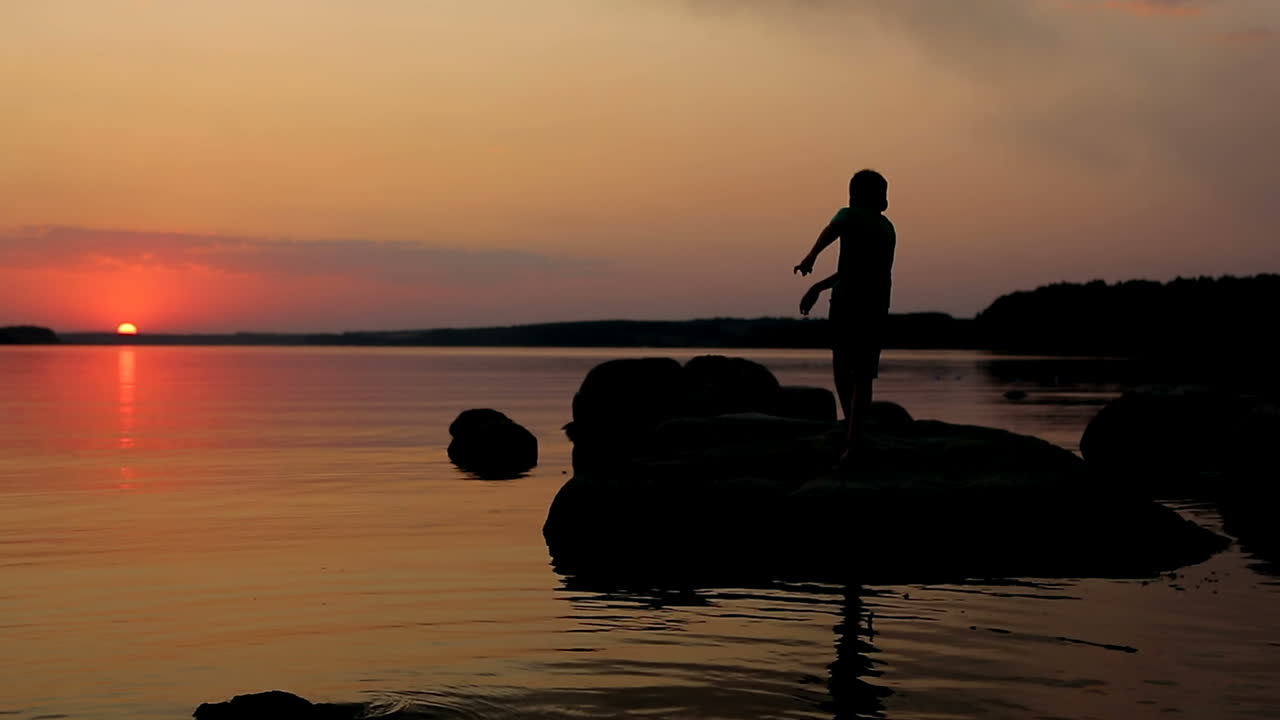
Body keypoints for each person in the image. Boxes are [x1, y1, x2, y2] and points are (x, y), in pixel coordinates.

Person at [794, 169, 896, 466]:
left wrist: (811, 257)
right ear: (875, 198)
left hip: (849, 302)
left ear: (852, 197)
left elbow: (831, 231)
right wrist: (818, 285)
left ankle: (852, 431)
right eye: (883, 194)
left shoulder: (849, 216)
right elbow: (857, 271)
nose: (887, 200)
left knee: (842, 363)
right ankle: (855, 435)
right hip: (876, 306)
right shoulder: (886, 227)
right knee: (863, 375)